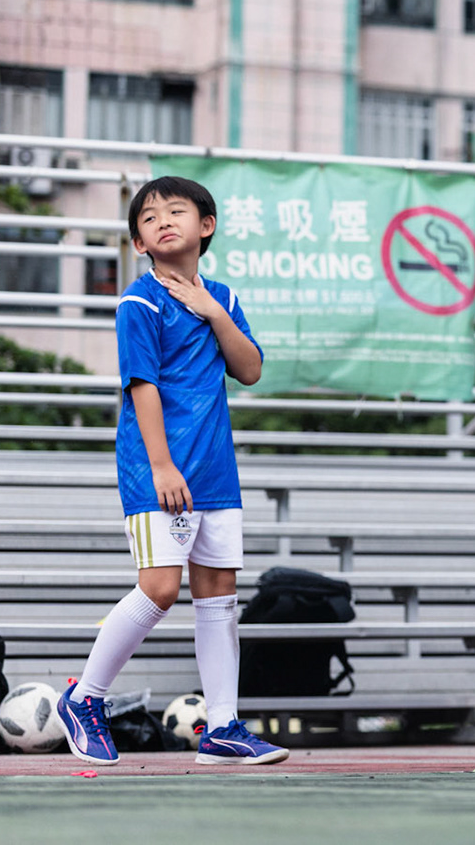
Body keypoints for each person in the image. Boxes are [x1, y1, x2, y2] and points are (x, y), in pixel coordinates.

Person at [55, 176, 287, 766]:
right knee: (160, 588)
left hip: (216, 472)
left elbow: (251, 369)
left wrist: (213, 312)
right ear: (139, 242)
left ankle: (224, 727)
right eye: (149, 218)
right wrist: (161, 464)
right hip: (157, 469)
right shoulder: (138, 302)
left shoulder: (225, 299)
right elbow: (142, 386)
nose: (162, 221)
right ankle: (84, 698)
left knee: (218, 597)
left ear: (205, 227)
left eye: (176, 211)